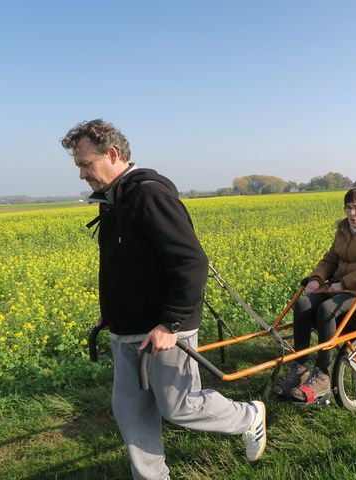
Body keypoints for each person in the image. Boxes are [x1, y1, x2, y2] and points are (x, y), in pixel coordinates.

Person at [62, 119, 266, 480]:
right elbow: (120, 264)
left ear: (111, 154)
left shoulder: (148, 194)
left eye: (84, 164)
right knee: (130, 411)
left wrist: (170, 323)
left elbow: (191, 263)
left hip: (163, 328)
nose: (81, 174)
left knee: (180, 406)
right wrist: (109, 311)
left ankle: (249, 416)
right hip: (126, 329)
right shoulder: (113, 200)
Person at [274, 188, 356, 403]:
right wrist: (316, 279)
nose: (351, 213)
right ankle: (300, 367)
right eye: (348, 208)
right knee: (303, 304)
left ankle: (322, 373)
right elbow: (330, 259)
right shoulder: (344, 230)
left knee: (326, 309)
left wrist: (344, 283)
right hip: (338, 287)